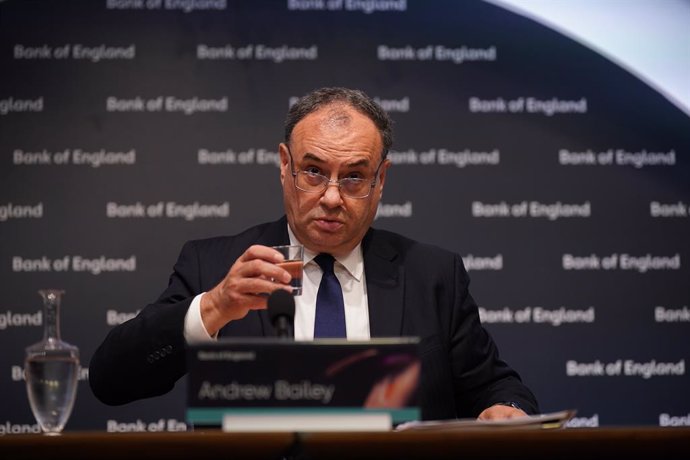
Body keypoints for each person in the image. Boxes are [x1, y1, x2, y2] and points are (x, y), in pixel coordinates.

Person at [89, 87, 538, 421]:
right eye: (314, 171)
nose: (331, 197)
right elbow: (111, 381)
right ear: (285, 165)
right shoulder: (215, 265)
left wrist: (507, 408)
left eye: (355, 177)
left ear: (382, 180)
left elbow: (499, 386)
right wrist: (214, 306)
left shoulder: (433, 275)